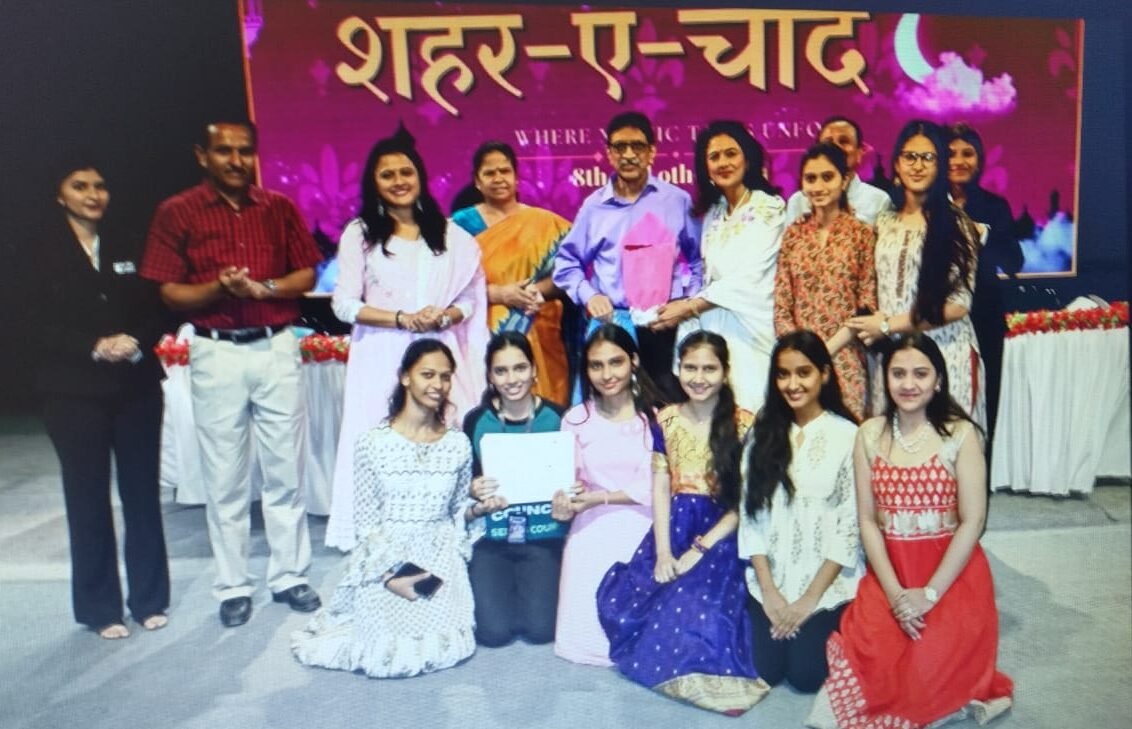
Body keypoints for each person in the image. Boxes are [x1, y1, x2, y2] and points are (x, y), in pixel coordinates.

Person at [141, 119, 322, 627]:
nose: (236, 160)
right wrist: (218, 288)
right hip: (215, 350)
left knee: (285, 470)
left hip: (275, 345)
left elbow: (306, 273)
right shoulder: (177, 211)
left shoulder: (278, 207)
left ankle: (289, 575)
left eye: (244, 151)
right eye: (224, 151)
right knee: (225, 478)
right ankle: (233, 585)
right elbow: (168, 291)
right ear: (203, 155)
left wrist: (265, 288)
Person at [807, 333, 1013, 728]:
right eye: (898, 374)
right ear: (885, 379)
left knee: (925, 677)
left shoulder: (961, 434)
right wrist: (896, 596)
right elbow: (868, 521)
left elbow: (973, 522)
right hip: (890, 575)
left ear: (938, 380)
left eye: (921, 374)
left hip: (952, 577)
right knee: (872, 663)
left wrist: (929, 594)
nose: (908, 384)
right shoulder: (869, 434)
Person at [325, 126, 489, 552]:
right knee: (384, 442)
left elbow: (471, 298)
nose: (399, 181)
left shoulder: (450, 236)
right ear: (373, 183)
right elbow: (344, 304)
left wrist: (444, 315)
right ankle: (383, 541)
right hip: (382, 355)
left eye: (406, 172)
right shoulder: (361, 234)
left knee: (443, 436)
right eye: (387, 174)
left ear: (420, 176)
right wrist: (402, 319)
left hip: (439, 352)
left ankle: (445, 535)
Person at [28, 157, 170, 639]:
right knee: (87, 498)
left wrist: (136, 340)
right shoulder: (36, 250)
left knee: (142, 496)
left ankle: (149, 599)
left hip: (136, 386)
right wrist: (92, 345)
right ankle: (100, 608)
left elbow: (159, 306)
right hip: (71, 391)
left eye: (100, 186)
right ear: (60, 195)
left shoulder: (131, 241)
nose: (93, 194)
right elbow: (28, 323)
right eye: (80, 185)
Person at [598, 331, 767, 715]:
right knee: (643, 604)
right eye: (691, 367)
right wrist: (662, 551)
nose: (699, 378)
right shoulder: (667, 419)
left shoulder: (744, 424)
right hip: (674, 528)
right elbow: (661, 486)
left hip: (722, 535)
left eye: (709, 369)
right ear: (678, 368)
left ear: (725, 372)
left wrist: (700, 549)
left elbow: (744, 504)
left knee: (700, 617)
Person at [292, 339, 483, 677]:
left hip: (440, 557)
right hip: (387, 558)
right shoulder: (372, 443)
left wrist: (478, 510)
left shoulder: (458, 444)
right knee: (385, 651)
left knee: (445, 644)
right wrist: (394, 573)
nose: (438, 385)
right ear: (405, 377)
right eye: (427, 374)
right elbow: (366, 526)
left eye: (445, 376)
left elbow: (456, 514)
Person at [738, 331, 863, 694]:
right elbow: (750, 516)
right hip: (771, 578)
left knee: (805, 676)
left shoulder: (849, 435)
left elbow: (850, 524)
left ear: (824, 373)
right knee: (767, 669)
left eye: (803, 372)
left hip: (825, 580)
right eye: (783, 374)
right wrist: (770, 592)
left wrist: (809, 600)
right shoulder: (762, 434)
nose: (792, 385)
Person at [553, 112, 701, 401]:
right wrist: (590, 296)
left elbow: (698, 260)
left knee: (668, 414)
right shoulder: (594, 207)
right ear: (609, 153)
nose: (629, 155)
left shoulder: (676, 200)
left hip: (664, 325)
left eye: (638, 146)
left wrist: (685, 303)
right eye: (620, 147)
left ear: (652, 152)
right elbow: (566, 263)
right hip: (614, 325)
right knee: (612, 414)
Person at [847, 120, 986, 429]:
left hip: (945, 353)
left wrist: (887, 325)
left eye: (928, 158)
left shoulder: (958, 224)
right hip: (891, 357)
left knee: (945, 445)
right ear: (897, 163)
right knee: (894, 446)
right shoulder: (883, 222)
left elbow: (958, 305)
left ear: (940, 165)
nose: (918, 166)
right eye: (910, 157)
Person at [552, 324, 663, 665]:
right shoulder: (575, 419)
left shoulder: (656, 418)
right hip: (590, 520)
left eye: (616, 362)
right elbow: (568, 481)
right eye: (596, 366)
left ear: (634, 361)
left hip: (644, 518)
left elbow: (653, 486)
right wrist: (564, 502)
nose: (607, 374)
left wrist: (601, 498)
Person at [462, 331, 567, 647]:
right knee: (493, 634)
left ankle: (525, 589)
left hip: (542, 535)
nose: (511, 379)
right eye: (501, 371)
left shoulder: (559, 418)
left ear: (534, 370)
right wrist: (473, 488)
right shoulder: (476, 420)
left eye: (520, 368)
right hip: (492, 537)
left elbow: (573, 479)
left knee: (541, 631)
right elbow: (463, 485)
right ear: (490, 376)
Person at [676, 120, 786, 412]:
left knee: (754, 414)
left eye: (731, 153)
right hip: (716, 330)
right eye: (714, 157)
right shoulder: (713, 214)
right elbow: (707, 277)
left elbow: (752, 276)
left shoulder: (769, 208)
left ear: (747, 159)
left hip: (753, 329)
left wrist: (689, 307)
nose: (723, 162)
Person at [452, 141, 572, 405]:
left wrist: (533, 292)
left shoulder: (546, 223)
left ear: (517, 178)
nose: (498, 178)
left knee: (545, 405)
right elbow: (447, 286)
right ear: (477, 181)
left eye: (504, 171)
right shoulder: (458, 227)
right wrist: (498, 294)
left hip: (538, 327)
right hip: (480, 330)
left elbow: (570, 273)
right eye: (489, 173)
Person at [774, 143, 877, 419]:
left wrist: (824, 352)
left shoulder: (862, 234)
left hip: (845, 356)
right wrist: (801, 353)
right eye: (811, 178)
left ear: (844, 180)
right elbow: (782, 303)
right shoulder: (794, 234)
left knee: (847, 433)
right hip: (798, 363)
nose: (818, 186)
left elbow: (866, 305)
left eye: (827, 177)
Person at [947, 122, 1023, 446]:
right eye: (951, 153)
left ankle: (982, 465)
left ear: (979, 161)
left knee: (986, 399)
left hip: (984, 317)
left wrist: (984, 235)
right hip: (937, 317)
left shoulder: (995, 206)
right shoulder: (926, 205)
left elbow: (1014, 263)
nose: (958, 161)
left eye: (967, 154)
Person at [784, 116, 893, 226]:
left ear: (859, 153)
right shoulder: (798, 201)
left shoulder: (879, 200)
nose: (836, 147)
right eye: (828, 142)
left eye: (844, 141)